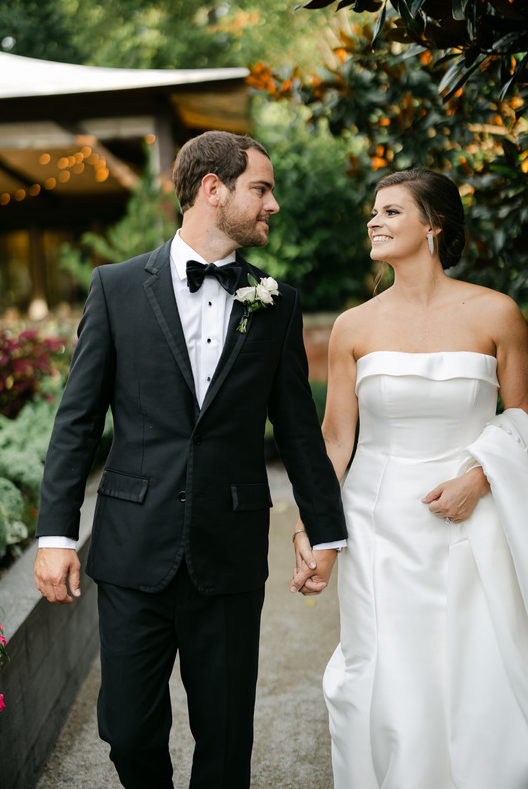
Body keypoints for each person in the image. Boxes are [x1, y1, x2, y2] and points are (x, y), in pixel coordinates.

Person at [34, 130, 347, 789]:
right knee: (126, 728)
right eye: (261, 188)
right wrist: (56, 534)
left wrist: (323, 531)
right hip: (131, 549)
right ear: (213, 188)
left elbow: (297, 432)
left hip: (228, 552)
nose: (273, 205)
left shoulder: (277, 303)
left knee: (226, 733)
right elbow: (77, 422)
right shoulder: (116, 288)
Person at [291, 168, 528, 788]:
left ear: (434, 226)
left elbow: (522, 418)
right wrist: (313, 527)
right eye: (374, 211)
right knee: (390, 669)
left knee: (475, 665)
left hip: (473, 518)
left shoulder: (498, 314)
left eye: (392, 211)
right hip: (380, 522)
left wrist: (479, 477)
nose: (375, 221)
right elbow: (337, 439)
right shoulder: (354, 326)